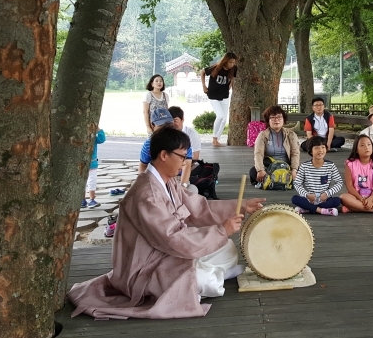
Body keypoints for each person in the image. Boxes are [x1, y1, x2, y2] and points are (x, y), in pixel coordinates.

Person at [67, 127, 266, 319]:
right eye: (181, 156)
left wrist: (241, 206)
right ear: (164, 155)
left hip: (167, 252)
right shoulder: (146, 195)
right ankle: (207, 276)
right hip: (145, 267)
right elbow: (173, 238)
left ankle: (210, 273)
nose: (185, 162)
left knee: (227, 247)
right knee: (207, 279)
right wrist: (222, 229)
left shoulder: (168, 182)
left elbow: (198, 207)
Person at [340, 134, 373, 214]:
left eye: (369, 144)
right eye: (362, 145)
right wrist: (361, 199)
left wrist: (370, 199)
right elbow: (350, 187)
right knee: (343, 197)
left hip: (372, 197)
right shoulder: (350, 164)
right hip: (355, 196)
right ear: (356, 150)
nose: (366, 147)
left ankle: (353, 208)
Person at [139, 108, 192, 186]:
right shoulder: (148, 145)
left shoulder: (182, 141)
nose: (165, 128)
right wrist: (143, 184)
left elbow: (187, 165)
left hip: (178, 177)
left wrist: (183, 185)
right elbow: (143, 165)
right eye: (161, 125)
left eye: (168, 124)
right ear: (152, 125)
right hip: (157, 179)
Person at [291, 136, 342, 216]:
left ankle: (307, 209)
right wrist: (306, 194)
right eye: (316, 148)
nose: (320, 150)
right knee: (294, 199)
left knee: (337, 201)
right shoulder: (304, 166)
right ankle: (321, 210)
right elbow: (297, 183)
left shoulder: (330, 165)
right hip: (309, 198)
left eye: (323, 147)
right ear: (310, 151)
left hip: (324, 198)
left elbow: (339, 183)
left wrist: (327, 194)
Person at [250, 105, 300, 185]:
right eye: (272, 117)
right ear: (268, 120)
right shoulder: (262, 135)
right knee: (253, 172)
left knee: (301, 172)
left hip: (287, 166)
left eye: (279, 117)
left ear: (284, 119)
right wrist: (260, 170)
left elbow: (295, 153)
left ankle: (273, 181)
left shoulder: (291, 134)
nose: (276, 120)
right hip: (269, 166)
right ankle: (281, 180)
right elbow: (258, 154)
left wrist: (294, 169)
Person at [202, 52, 238, 147]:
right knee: (220, 116)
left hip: (224, 95)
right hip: (213, 95)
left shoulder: (233, 69)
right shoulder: (216, 67)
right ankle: (214, 139)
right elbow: (203, 72)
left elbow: (233, 77)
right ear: (225, 61)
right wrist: (204, 86)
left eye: (234, 62)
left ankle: (216, 140)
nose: (232, 64)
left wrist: (230, 84)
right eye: (230, 62)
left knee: (224, 119)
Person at [81, 128, 106, 209]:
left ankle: (92, 199)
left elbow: (102, 139)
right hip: (81, 164)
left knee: (92, 181)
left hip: (92, 163)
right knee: (82, 182)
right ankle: (82, 200)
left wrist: (99, 130)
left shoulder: (93, 137)